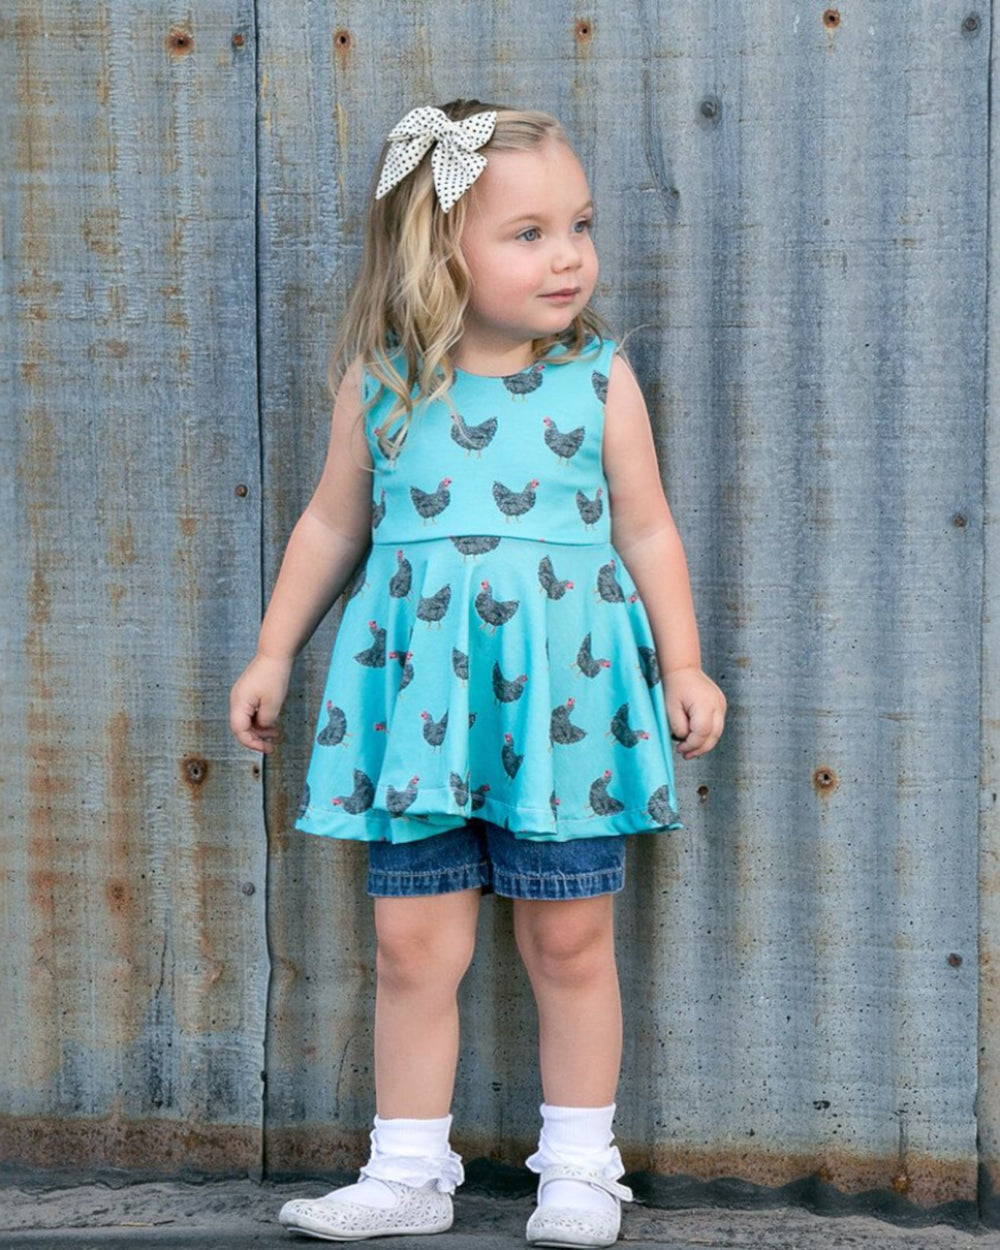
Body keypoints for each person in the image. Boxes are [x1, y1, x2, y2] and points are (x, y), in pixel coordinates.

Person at [230, 99, 726, 1248]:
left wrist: (684, 662)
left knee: (568, 938)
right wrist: (272, 650)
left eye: (581, 225)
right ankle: (406, 1164)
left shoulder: (598, 380)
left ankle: (580, 1168)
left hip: (564, 707)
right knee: (411, 946)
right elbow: (325, 526)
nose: (569, 256)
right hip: (419, 714)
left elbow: (647, 531)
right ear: (434, 249)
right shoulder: (384, 384)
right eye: (529, 232)